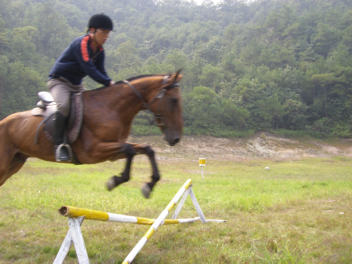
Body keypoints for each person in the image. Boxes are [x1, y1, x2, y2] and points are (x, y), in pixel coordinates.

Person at [48, 13, 115, 162]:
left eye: (108, 33)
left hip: (76, 85)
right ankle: (58, 146)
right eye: (103, 32)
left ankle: (81, 143)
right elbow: (90, 70)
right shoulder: (82, 44)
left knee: (89, 109)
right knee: (64, 106)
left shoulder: (100, 52)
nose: (106, 36)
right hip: (59, 82)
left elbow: (102, 72)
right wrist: (109, 83)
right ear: (92, 30)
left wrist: (111, 85)